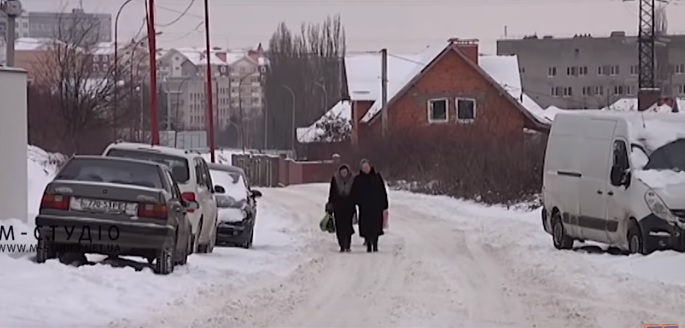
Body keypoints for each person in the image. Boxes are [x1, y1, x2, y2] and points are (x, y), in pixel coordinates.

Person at [351, 159, 389, 253]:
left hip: (376, 205)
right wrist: (357, 202)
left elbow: (382, 191)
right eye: (364, 167)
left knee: (376, 225)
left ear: (370, 167)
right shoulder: (358, 179)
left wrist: (385, 204)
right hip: (364, 207)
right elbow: (354, 193)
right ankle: (368, 243)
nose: (366, 169)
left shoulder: (377, 177)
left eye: (367, 167)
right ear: (361, 168)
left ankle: (375, 244)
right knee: (366, 226)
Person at [326, 164, 356, 252]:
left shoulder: (353, 179)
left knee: (348, 225)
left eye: (345, 172)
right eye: (342, 172)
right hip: (338, 206)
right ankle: (341, 244)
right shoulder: (335, 179)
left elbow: (355, 192)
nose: (344, 173)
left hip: (349, 206)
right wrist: (330, 204)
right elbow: (332, 192)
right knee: (339, 226)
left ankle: (348, 244)